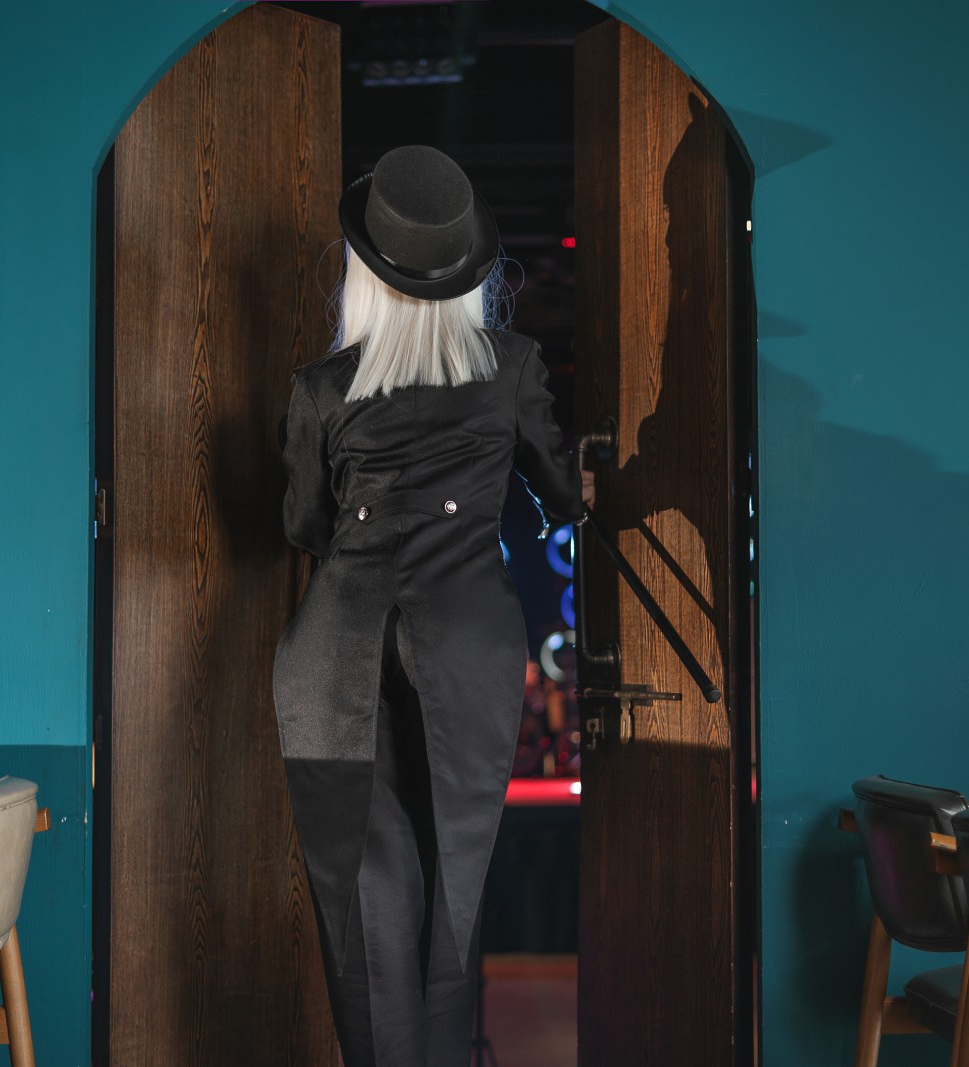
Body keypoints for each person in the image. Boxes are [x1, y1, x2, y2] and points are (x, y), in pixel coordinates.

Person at [272, 143, 595, 1066]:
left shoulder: (321, 389)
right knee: (456, 882)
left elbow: (304, 527)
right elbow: (565, 499)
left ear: (364, 276)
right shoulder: (512, 365)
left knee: (364, 891)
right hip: (465, 639)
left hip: (336, 649)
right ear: (466, 278)